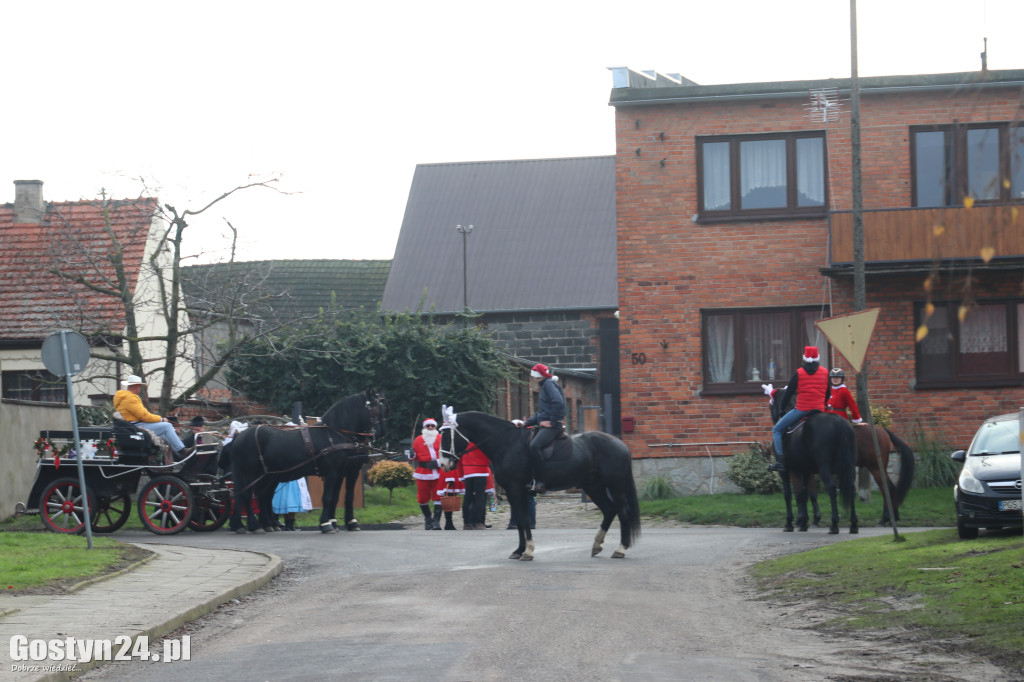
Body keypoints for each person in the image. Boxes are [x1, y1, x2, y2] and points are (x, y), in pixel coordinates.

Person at [769, 346, 831, 474]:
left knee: (777, 429)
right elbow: (828, 392)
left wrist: (781, 409)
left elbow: (789, 392)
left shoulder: (799, 372)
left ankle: (780, 462)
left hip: (802, 409)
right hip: (819, 410)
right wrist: (822, 405)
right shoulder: (825, 372)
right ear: (817, 357)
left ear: (805, 358)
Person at [113, 375, 192, 460]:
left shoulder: (123, 397)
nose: (140, 389)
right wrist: (162, 419)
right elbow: (145, 416)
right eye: (140, 386)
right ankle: (182, 451)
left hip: (132, 425)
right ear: (137, 386)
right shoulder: (131, 398)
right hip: (137, 426)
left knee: (165, 435)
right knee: (167, 426)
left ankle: (179, 456)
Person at [515, 363, 566, 493]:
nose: (533, 378)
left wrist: (552, 422)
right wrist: (525, 423)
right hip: (545, 423)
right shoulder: (545, 386)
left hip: (552, 426)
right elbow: (540, 413)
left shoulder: (548, 384)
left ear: (538, 376)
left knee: (534, 446)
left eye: (534, 376)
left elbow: (558, 402)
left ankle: (541, 482)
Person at [409, 418, 442, 530]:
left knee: (438, 496)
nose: (430, 428)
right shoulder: (418, 440)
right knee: (423, 497)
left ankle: (437, 521)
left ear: (435, 427)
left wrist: (438, 462)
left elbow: (447, 455)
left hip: (438, 472)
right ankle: (428, 519)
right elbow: (413, 458)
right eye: (428, 426)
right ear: (424, 427)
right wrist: (411, 454)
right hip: (423, 473)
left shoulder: (441, 438)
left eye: (432, 426)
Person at [459, 438, 491, 530]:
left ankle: (467, 523)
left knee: (468, 497)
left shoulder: (463, 443)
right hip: (481, 470)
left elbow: (459, 459)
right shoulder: (483, 441)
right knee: (479, 498)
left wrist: (461, 475)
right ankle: (478, 522)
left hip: (467, 471)